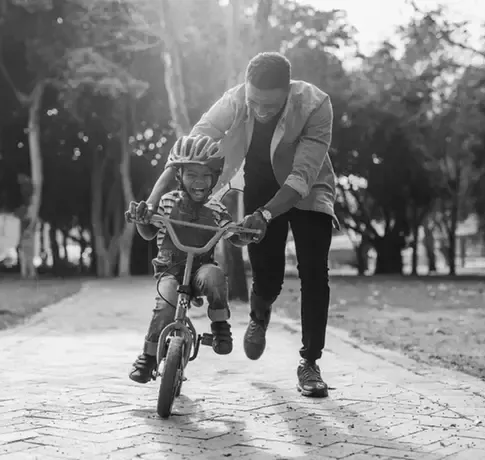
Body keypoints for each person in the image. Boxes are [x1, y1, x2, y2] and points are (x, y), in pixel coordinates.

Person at [132, 52, 338, 398]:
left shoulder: (316, 106)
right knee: (267, 275)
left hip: (308, 189)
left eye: (271, 107)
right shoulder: (234, 100)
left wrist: (266, 216)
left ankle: (310, 363)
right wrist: (153, 201)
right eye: (255, 102)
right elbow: (189, 149)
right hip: (260, 185)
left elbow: (301, 176)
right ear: (246, 88)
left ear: (288, 91)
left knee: (314, 273)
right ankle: (259, 316)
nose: (261, 111)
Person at [125, 134, 249, 384]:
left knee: (214, 277)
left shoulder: (216, 208)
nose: (199, 182)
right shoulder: (167, 201)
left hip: (200, 270)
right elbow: (149, 231)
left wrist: (244, 233)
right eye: (192, 174)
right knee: (165, 305)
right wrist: (142, 220)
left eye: (206, 175)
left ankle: (220, 327)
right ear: (179, 176)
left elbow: (233, 234)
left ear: (215, 177)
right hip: (170, 271)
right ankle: (148, 357)